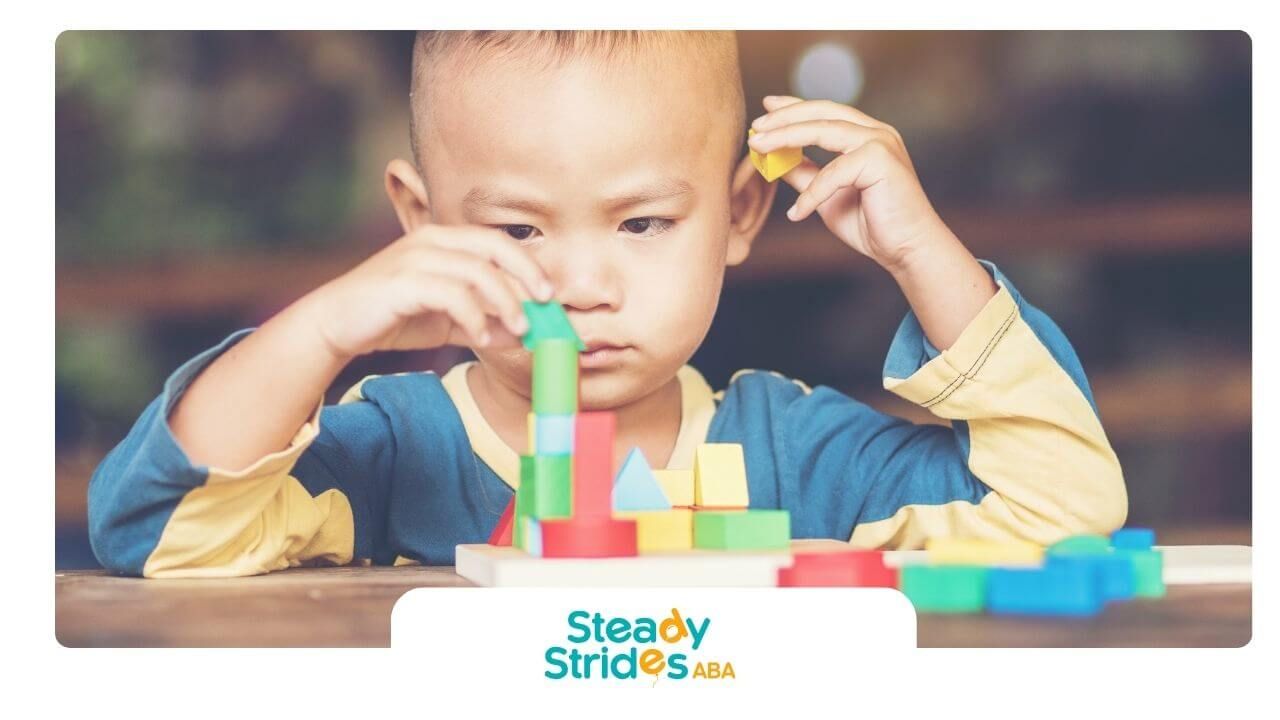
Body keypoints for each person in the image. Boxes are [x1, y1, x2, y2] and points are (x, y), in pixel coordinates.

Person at [88, 31, 1126, 578]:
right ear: (420, 223)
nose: (582, 287)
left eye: (641, 223)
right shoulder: (396, 449)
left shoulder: (799, 456)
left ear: (739, 213)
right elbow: (157, 532)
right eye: (517, 231)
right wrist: (320, 329)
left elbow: (1062, 511)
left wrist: (923, 253)